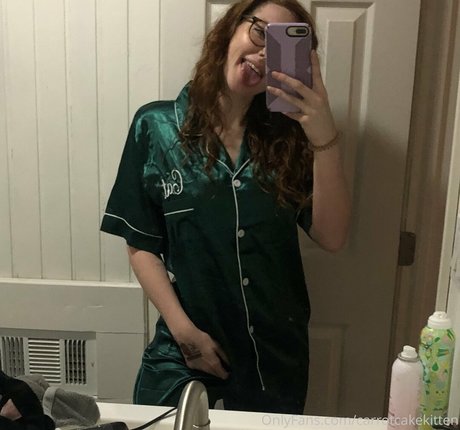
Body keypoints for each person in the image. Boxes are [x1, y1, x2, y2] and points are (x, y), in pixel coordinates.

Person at [100, 0, 351, 414]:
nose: (264, 54)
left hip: (273, 354)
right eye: (260, 32)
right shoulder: (156, 127)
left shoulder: (292, 141)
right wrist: (184, 333)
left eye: (281, 47)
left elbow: (332, 236)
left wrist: (324, 136)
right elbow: (141, 243)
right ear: (230, 30)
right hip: (185, 346)